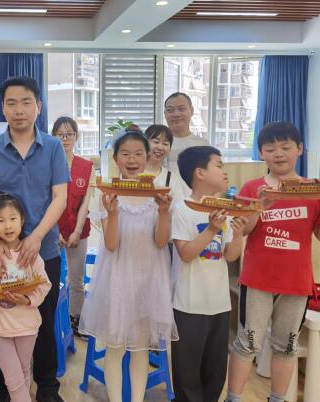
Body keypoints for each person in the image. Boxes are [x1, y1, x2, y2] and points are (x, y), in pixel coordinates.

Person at [0, 76, 69, 402]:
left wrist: (37, 236)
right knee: (5, 318)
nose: (19, 110)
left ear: (38, 106)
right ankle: (7, 390)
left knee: (42, 319)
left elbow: (60, 197)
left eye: (26, 102)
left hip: (44, 250)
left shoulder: (53, 147)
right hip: (5, 253)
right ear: (3, 108)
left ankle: (47, 387)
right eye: (11, 103)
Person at [224, 122, 320, 402]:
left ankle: (277, 399)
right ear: (261, 153)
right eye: (270, 149)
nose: (278, 153)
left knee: (286, 347)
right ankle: (233, 398)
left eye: (285, 147)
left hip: (296, 283)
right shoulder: (252, 187)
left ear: (299, 149)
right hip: (257, 280)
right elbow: (243, 229)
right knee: (247, 343)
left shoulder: (313, 191)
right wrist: (260, 207)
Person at [79, 130, 177, 402]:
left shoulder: (159, 192)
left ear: (147, 157)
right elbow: (111, 245)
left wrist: (163, 212)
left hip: (149, 279)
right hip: (117, 279)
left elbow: (161, 241)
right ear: (115, 159)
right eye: (125, 154)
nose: (132, 160)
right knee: (115, 348)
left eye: (138, 154)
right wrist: (112, 213)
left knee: (140, 349)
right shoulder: (108, 193)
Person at [171, 146, 245, 402]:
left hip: (219, 304)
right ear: (199, 173)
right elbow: (186, 253)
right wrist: (212, 229)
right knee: (187, 372)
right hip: (189, 305)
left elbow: (230, 255)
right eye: (219, 166)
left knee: (215, 371)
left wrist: (239, 234)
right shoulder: (182, 209)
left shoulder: (224, 210)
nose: (224, 172)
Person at [0, 194, 51, 402]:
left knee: (24, 372)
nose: (8, 225)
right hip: (0, 328)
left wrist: (27, 300)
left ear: (22, 220)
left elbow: (44, 284)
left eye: (13, 218)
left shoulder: (29, 252)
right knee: (13, 380)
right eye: (0, 220)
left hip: (27, 326)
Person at [51, 116, 94, 338]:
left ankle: (76, 318)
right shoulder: (47, 165)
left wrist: (77, 231)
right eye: (60, 134)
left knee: (76, 280)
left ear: (76, 137)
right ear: (53, 137)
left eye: (69, 134)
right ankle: (51, 320)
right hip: (52, 231)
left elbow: (85, 202)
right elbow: (45, 201)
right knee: (49, 278)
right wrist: (55, 231)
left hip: (79, 230)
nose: (65, 139)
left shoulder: (86, 167)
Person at [163, 92, 209, 174]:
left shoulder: (202, 145)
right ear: (165, 113)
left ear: (192, 111)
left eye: (181, 109)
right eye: (170, 110)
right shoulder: (156, 144)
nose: (176, 114)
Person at [144, 124, 189, 201]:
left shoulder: (172, 179)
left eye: (165, 144)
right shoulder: (132, 172)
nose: (160, 147)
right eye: (156, 142)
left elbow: (178, 206)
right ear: (144, 144)